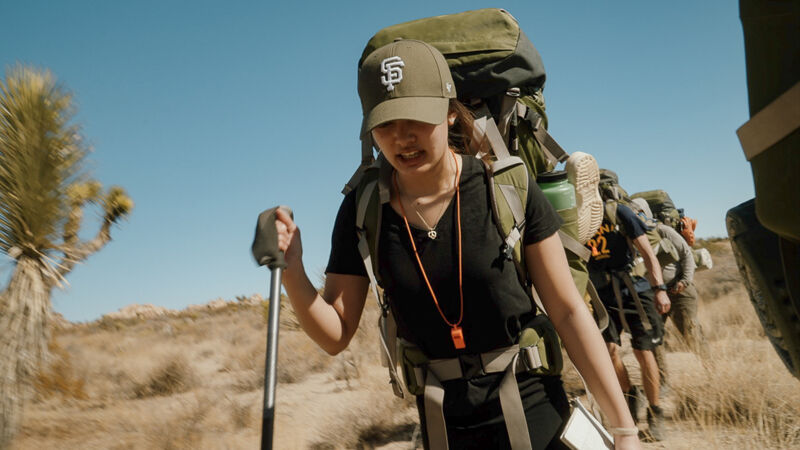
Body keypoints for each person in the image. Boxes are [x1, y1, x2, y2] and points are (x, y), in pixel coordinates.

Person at [275, 40, 641, 449]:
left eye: (416, 117)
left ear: (450, 111)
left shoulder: (508, 187)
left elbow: (568, 310)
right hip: (443, 425)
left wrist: (623, 429)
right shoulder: (362, 210)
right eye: (386, 124)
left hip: (533, 412)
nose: (401, 138)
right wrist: (291, 269)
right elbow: (335, 334)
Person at [586, 170, 671, 442]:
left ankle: (655, 412)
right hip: (602, 293)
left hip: (634, 290)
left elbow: (647, 253)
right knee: (609, 351)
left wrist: (659, 289)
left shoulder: (620, 212)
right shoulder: (579, 219)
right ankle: (632, 397)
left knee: (643, 351)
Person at [631, 198, 706, 391]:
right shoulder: (630, 237)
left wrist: (684, 281)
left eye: (639, 212)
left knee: (691, 333)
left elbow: (687, 255)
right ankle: (662, 382)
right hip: (654, 294)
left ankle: (711, 371)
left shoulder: (663, 230)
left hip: (680, 290)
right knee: (654, 339)